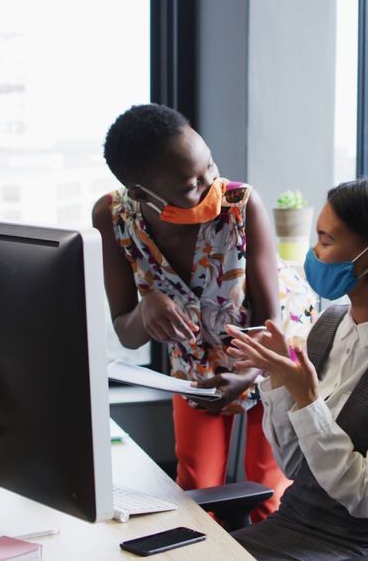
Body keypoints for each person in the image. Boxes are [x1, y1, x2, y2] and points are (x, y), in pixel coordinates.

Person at [93, 103, 315, 521]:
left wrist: (248, 375)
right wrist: (147, 309)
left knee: (271, 492)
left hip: (274, 351)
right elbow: (127, 334)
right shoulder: (113, 217)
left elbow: (271, 324)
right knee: (196, 489)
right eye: (192, 184)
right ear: (142, 194)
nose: (211, 183)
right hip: (196, 363)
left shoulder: (241, 205)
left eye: (210, 165)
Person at [224, 176, 368, 559]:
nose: (313, 252)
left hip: (354, 546)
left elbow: (365, 496)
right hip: (291, 525)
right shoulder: (331, 323)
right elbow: (294, 466)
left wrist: (306, 400)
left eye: (326, 240)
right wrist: (279, 382)